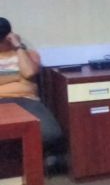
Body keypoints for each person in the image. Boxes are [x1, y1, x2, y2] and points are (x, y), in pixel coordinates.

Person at [0, 17, 65, 172]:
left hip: (26, 100)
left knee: (51, 133)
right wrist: (16, 75)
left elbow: (29, 72)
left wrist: (18, 47)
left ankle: (34, 162)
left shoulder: (28, 54)